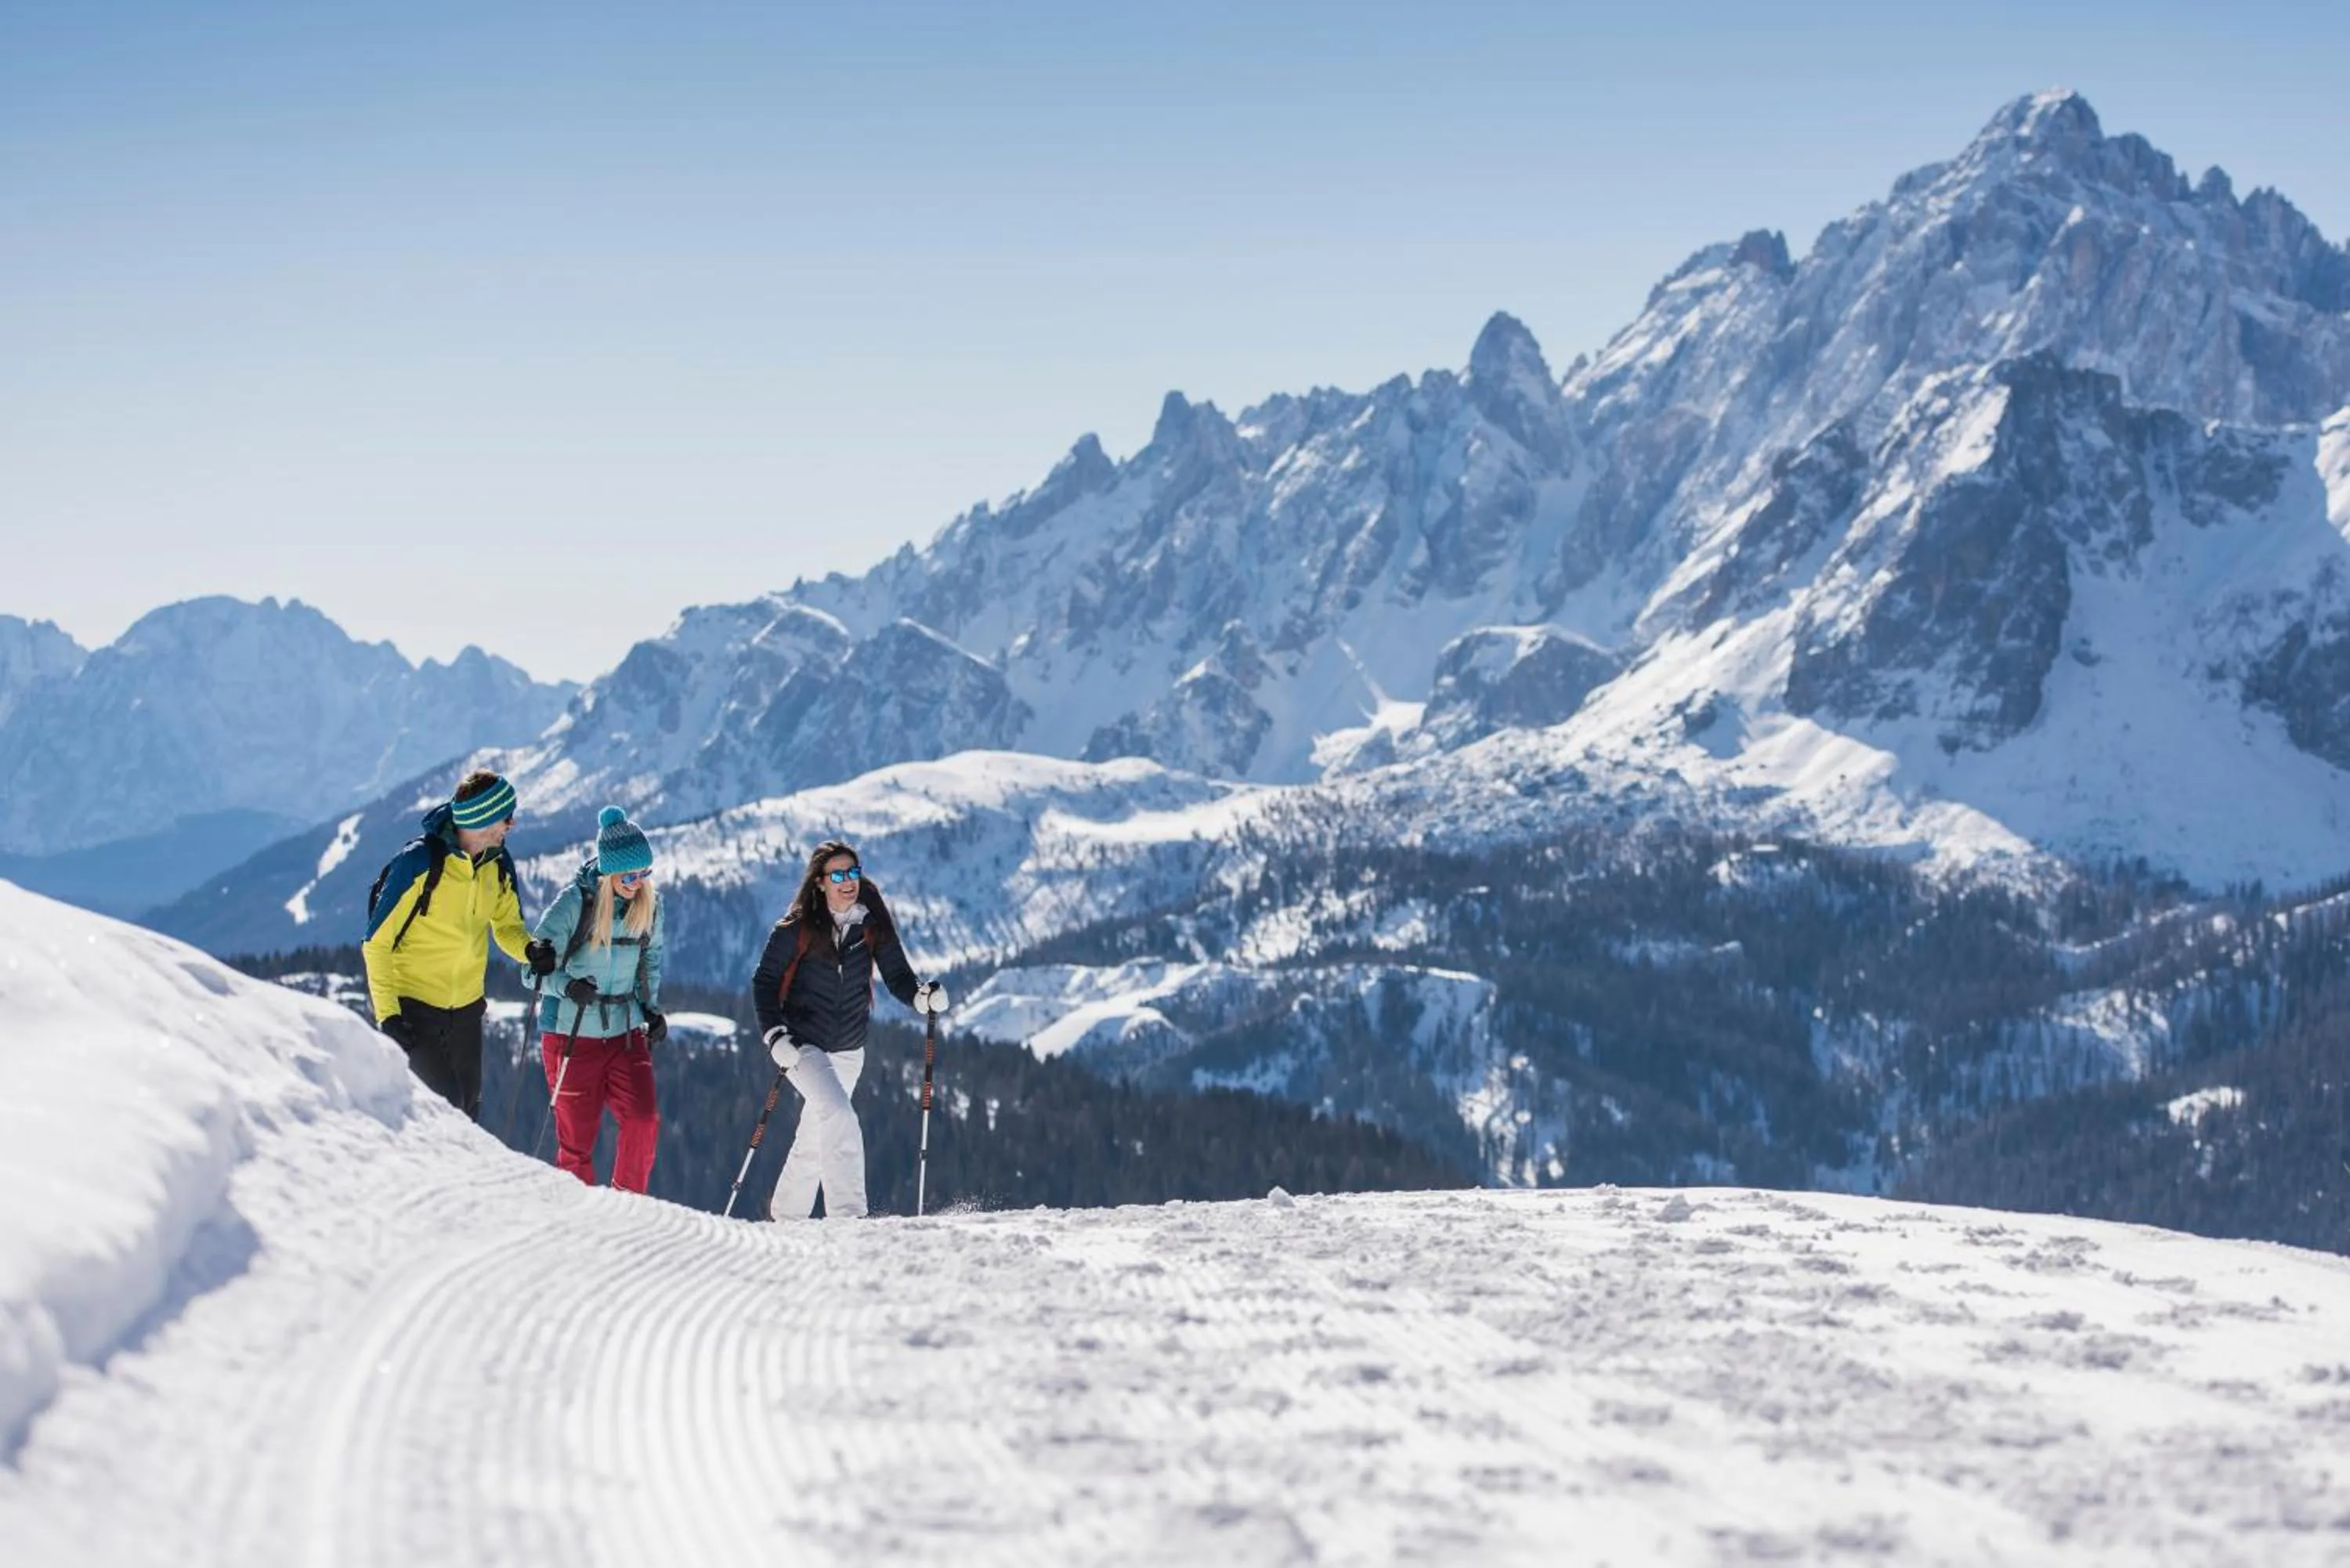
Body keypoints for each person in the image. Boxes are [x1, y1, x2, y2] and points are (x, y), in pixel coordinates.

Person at [750, 840, 945, 1219]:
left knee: (817, 1130)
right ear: (820, 882)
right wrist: (774, 1036)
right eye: (837, 875)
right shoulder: (797, 928)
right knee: (839, 1115)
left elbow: (898, 975)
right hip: (802, 1044)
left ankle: (787, 1216)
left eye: (852, 872)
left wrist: (921, 998)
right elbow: (765, 982)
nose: (847, 881)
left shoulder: (870, 921)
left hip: (850, 1048)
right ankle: (850, 1217)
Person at [363, 768, 533, 1119]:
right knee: (446, 1111)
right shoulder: (418, 863)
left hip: (468, 1013)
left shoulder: (498, 865)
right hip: (414, 1012)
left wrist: (531, 951)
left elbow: (507, 928)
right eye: (507, 817)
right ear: (483, 819)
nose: (511, 825)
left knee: (468, 1114)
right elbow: (375, 944)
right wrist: (389, 1016)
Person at [525, 805, 667, 1192]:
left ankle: (629, 1209)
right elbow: (531, 971)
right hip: (571, 1036)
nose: (637, 882)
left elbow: (649, 962)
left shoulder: (650, 906)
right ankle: (582, 1229)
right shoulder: (574, 904)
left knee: (643, 1120)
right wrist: (567, 986)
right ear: (608, 872)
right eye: (629, 874)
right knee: (576, 1146)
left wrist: (651, 1011)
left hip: (624, 1033)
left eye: (644, 873)